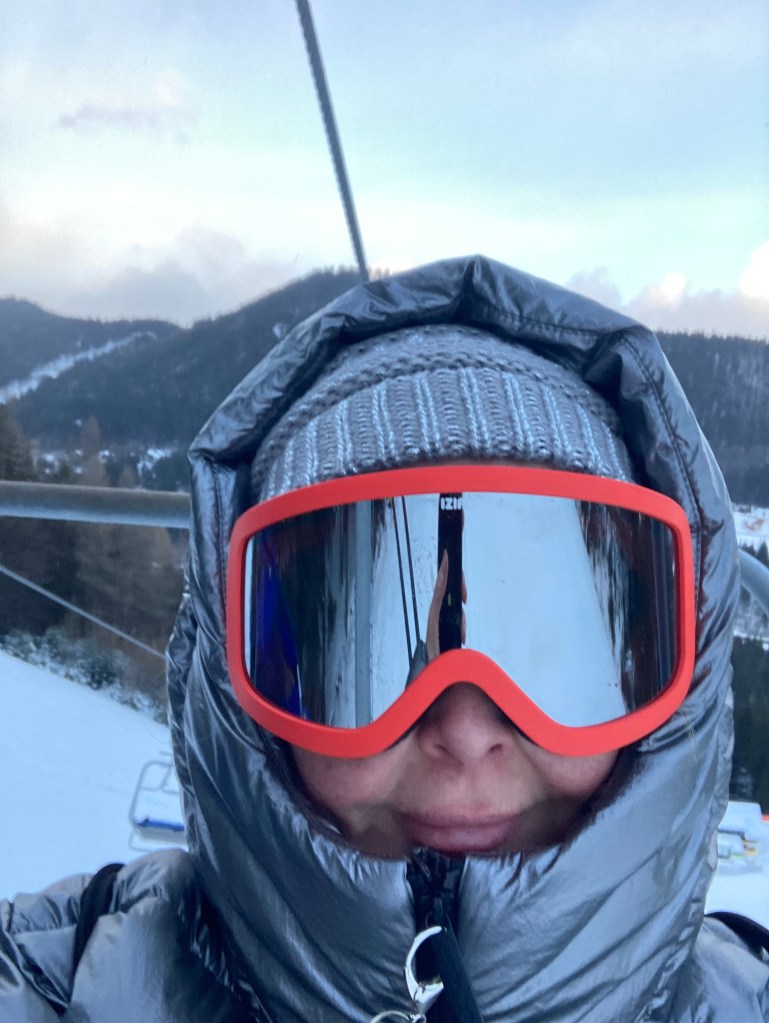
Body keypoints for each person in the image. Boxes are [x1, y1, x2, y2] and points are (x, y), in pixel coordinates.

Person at [1, 255, 767, 1021]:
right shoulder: (62, 981)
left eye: (555, 644)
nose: (463, 732)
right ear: (245, 701)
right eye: (361, 653)